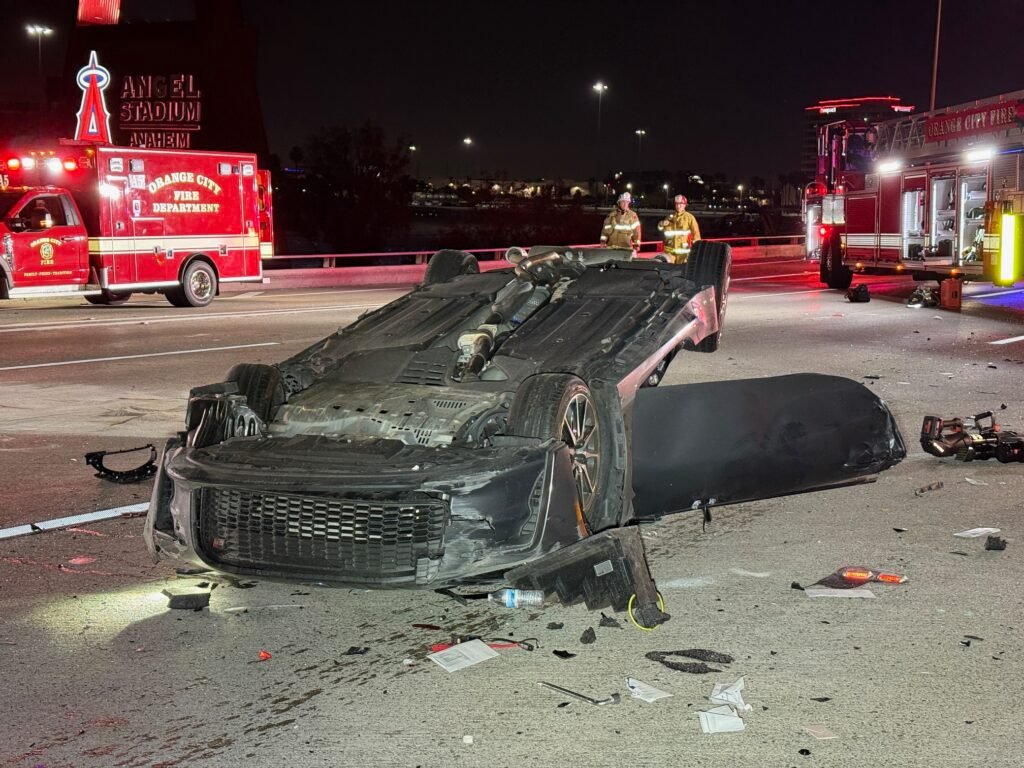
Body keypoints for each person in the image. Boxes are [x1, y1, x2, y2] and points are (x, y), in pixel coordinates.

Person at [657, 194, 701, 264]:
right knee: (668, 272)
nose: (678, 206)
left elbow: (696, 234)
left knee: (681, 272)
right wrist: (661, 224)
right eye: (676, 204)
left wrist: (696, 249)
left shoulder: (689, 217)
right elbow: (660, 230)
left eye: (680, 204)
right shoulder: (669, 217)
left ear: (684, 205)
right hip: (669, 253)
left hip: (683, 254)